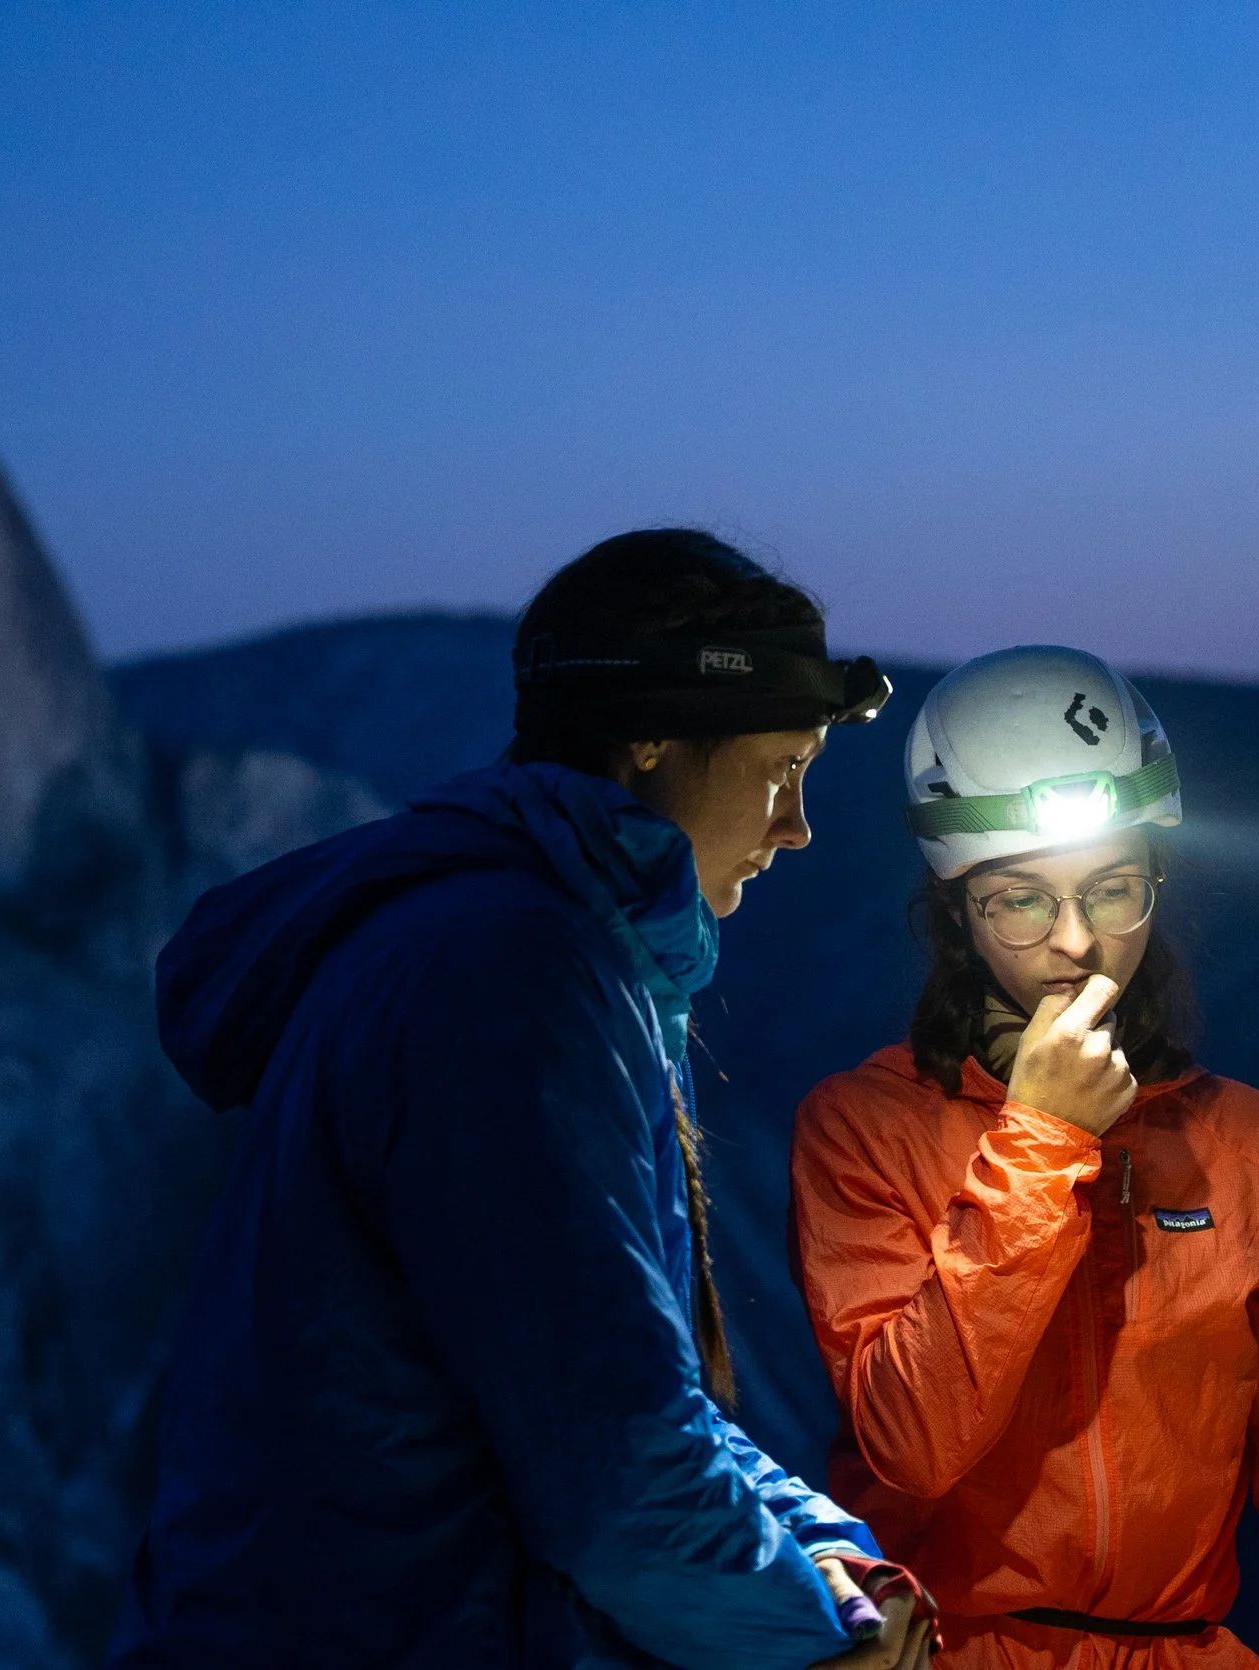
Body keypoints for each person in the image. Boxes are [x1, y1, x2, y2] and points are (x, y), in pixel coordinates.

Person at [109, 530, 934, 1670]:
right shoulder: (512, 978)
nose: (795, 826)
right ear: (648, 737)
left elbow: (633, 1394)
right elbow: (610, 1465)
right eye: (781, 769)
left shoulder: (520, 940)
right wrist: (825, 1634)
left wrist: (829, 1554)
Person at [788, 646, 1259, 1669]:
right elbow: (911, 1440)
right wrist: (1041, 1140)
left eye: (1113, 888)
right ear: (954, 914)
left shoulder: (1254, 1143)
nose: (1076, 940)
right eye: (1020, 899)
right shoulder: (863, 1126)